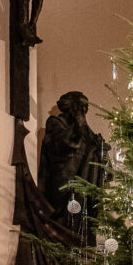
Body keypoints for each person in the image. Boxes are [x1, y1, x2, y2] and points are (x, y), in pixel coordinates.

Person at [38, 91, 108, 225]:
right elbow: (65, 144)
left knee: (83, 222)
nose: (84, 110)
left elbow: (94, 150)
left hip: (83, 183)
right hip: (63, 182)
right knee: (66, 220)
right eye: (81, 107)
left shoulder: (85, 129)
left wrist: (100, 148)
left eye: (86, 107)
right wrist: (79, 125)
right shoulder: (55, 123)